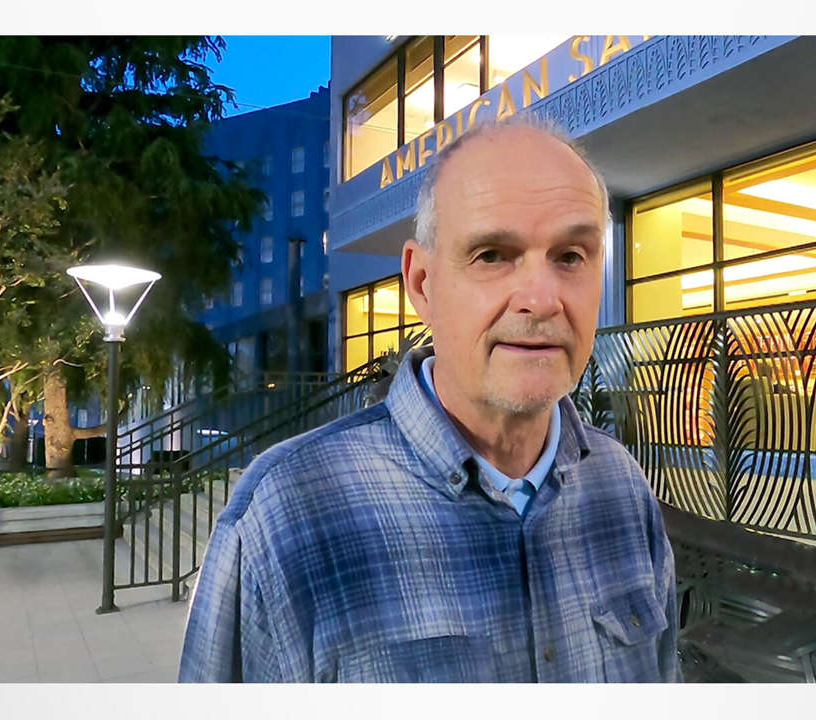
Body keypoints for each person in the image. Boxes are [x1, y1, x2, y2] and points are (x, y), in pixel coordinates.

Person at [178, 114, 678, 683]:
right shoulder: (286, 513)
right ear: (422, 283)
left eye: (570, 257)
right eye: (491, 255)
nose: (542, 300)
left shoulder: (621, 486)